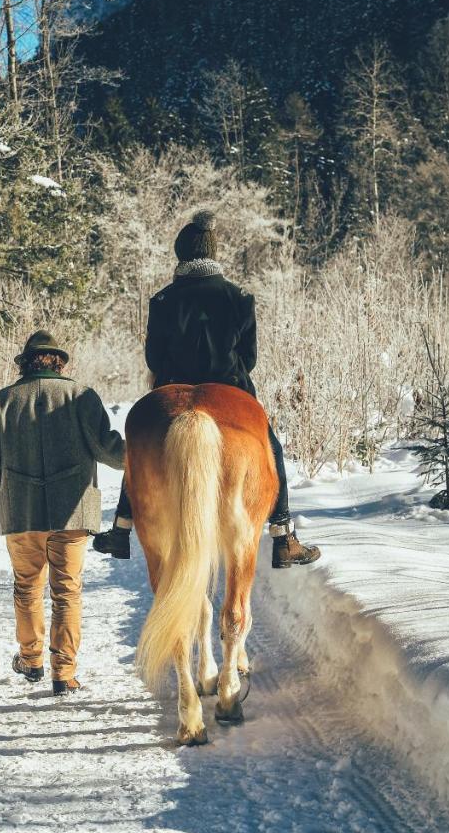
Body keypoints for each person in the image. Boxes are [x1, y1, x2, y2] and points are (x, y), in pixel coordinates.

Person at [91, 210, 322, 569]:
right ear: (213, 253)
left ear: (180, 254)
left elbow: (154, 358)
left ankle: (121, 528)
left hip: (173, 391)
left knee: (140, 448)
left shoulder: (162, 301)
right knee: (270, 447)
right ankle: (283, 535)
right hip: (231, 388)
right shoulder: (239, 297)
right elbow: (250, 357)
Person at [0, 330, 126, 696]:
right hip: (71, 513)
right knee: (67, 592)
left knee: (27, 588)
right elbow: (111, 453)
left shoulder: (2, 401)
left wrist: (5, 485)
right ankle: (65, 674)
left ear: (26, 362)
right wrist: (142, 452)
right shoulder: (80, 396)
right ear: (59, 361)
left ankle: (31, 660)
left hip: (22, 512)